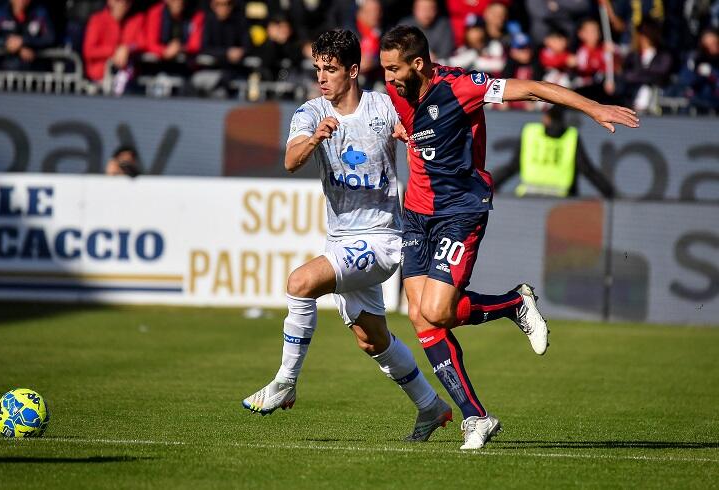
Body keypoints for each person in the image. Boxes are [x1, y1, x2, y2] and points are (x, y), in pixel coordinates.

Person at [379, 25, 638, 449]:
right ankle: (475, 417)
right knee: (420, 316)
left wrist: (593, 108)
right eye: (384, 69)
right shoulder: (395, 92)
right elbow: (405, 125)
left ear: (418, 64)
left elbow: (534, 88)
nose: (388, 78)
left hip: (459, 212)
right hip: (416, 215)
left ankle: (514, 303)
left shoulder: (462, 85)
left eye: (393, 69)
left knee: (438, 311)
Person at [242, 29, 452, 443]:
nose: (322, 78)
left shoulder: (383, 106)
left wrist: (409, 135)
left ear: (353, 71)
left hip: (383, 237)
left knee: (300, 283)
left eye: (331, 70)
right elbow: (289, 160)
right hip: (341, 238)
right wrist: (315, 137)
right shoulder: (309, 113)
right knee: (371, 340)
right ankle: (431, 407)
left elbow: (420, 130)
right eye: (318, 68)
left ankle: (285, 382)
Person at [492, 105, 615, 198]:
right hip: (560, 202)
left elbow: (513, 166)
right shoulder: (570, 137)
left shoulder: (530, 132)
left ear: (546, 118)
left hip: (528, 199)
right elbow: (587, 170)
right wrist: (609, 193)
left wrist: (491, 185)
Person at [82, 0, 145, 88]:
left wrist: (127, 48)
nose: (122, 5)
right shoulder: (97, 20)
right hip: (99, 80)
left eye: (126, 2)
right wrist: (114, 51)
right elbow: (89, 50)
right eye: (118, 1)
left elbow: (141, 43)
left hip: (127, 80)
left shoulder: (135, 20)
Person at [0, 0, 55, 70]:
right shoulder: (1, 13)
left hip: (33, 71)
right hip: (4, 69)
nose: (21, 1)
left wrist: (23, 41)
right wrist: (7, 43)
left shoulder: (39, 13)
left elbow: (50, 38)